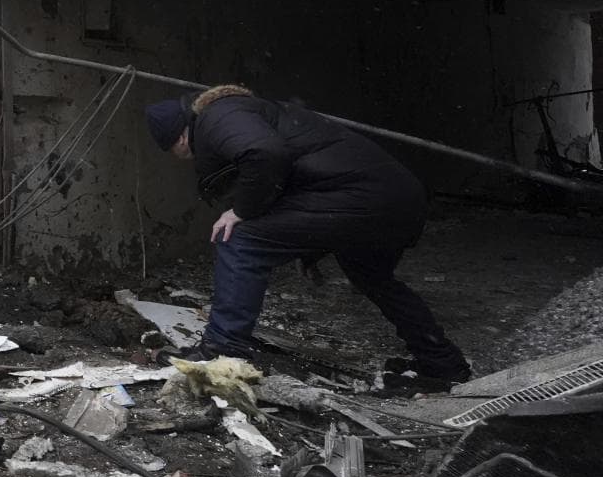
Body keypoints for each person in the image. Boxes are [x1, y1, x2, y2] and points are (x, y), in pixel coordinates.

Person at [146, 84, 471, 384]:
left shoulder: (218, 116)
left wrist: (241, 210)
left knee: (238, 237)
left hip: (362, 198)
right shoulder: (246, 112)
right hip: (392, 197)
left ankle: (222, 350)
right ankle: (441, 362)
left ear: (179, 138)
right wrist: (311, 247)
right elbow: (308, 177)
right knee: (374, 279)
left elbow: (265, 153)